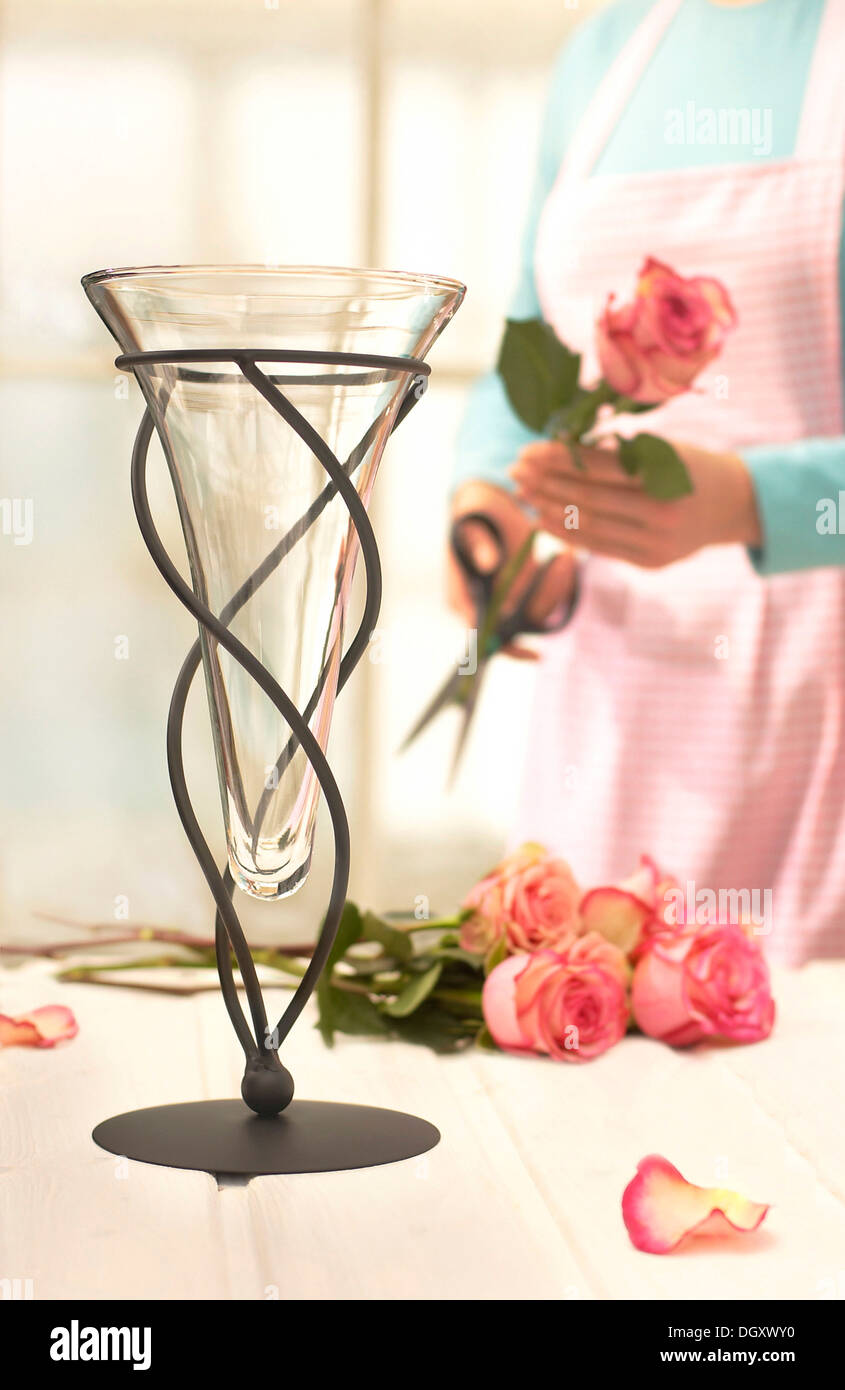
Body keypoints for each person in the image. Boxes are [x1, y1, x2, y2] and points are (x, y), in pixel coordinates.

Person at [450, 0, 845, 966]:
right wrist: (489, 503)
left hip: (820, 716)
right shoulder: (605, 50)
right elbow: (532, 343)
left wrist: (747, 500)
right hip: (618, 703)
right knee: (595, 1053)